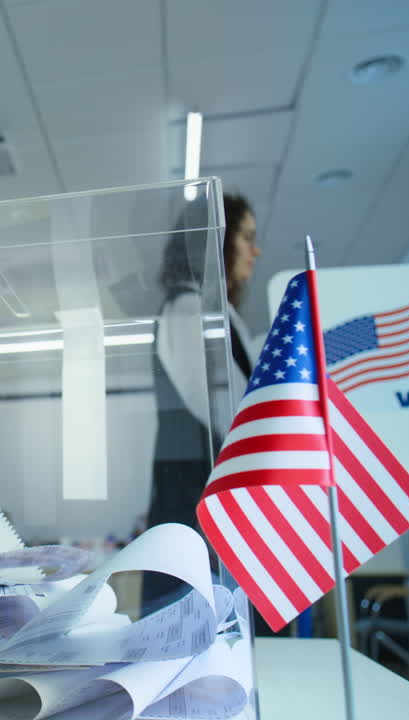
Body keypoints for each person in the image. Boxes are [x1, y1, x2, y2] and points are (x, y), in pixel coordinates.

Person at [143, 192, 260, 609]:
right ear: (218, 241)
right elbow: (222, 409)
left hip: (206, 498)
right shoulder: (189, 309)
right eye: (246, 237)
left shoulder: (217, 312)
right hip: (194, 497)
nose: (255, 250)